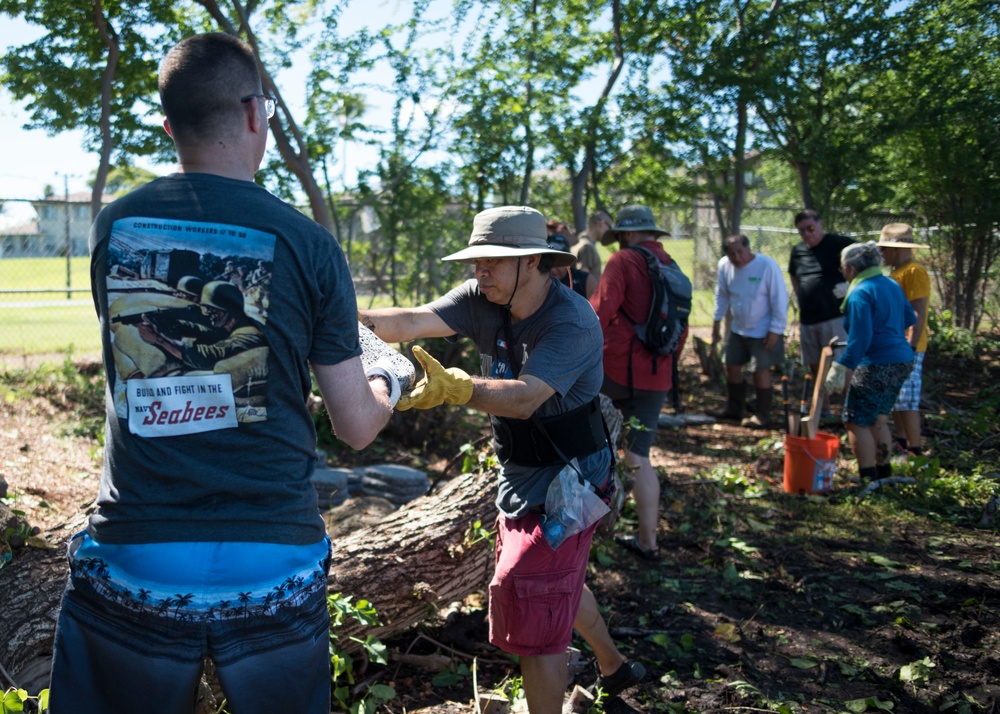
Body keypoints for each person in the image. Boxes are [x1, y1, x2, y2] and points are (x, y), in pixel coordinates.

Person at [47, 33, 404, 714]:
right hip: (272, 555)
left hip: (139, 552)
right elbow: (356, 427)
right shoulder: (309, 244)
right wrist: (389, 376)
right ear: (253, 114)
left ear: (168, 125)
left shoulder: (114, 228)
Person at [360, 206, 643, 713]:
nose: (479, 271)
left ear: (531, 262)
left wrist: (457, 387)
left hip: (573, 479)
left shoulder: (571, 320)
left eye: (493, 261)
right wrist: (339, 319)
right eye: (477, 261)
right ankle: (615, 665)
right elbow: (408, 320)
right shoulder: (481, 299)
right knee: (557, 583)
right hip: (519, 473)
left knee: (529, 590)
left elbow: (525, 397)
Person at [589, 205, 686, 560]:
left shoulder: (624, 261)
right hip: (658, 374)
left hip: (613, 371)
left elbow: (598, 312)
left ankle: (579, 537)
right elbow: (680, 328)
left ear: (627, 235)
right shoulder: (672, 266)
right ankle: (649, 542)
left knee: (585, 446)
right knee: (638, 457)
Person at [824, 242, 915, 483]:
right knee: (878, 418)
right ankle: (883, 475)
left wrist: (841, 367)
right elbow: (908, 316)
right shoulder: (890, 283)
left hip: (877, 363)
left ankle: (867, 477)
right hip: (902, 360)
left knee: (854, 420)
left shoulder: (860, 292)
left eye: (843, 268)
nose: (842, 272)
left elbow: (860, 338)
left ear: (852, 268)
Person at [709, 234, 789, 429]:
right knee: (731, 365)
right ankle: (734, 409)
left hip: (762, 329)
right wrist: (717, 322)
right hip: (738, 328)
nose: (737, 258)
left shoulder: (766, 266)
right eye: (731, 254)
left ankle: (763, 415)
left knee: (760, 370)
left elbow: (779, 298)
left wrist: (775, 329)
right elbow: (722, 294)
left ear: (748, 249)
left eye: (740, 252)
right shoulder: (724, 266)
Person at [788, 209, 855, 421]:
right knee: (816, 367)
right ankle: (822, 410)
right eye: (802, 231)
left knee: (843, 365)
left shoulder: (839, 244)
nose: (807, 234)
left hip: (834, 317)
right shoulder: (798, 251)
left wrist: (849, 287)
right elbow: (794, 276)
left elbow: (862, 259)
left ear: (820, 224)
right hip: (809, 319)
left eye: (810, 228)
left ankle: (851, 410)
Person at [877, 223, 931, 457]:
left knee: (907, 399)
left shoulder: (913, 271)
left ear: (896, 249)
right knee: (897, 397)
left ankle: (915, 449)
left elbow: (918, 311)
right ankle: (901, 442)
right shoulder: (896, 272)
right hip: (893, 346)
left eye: (884, 249)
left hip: (908, 346)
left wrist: (910, 345)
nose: (881, 254)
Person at [547, 233, 597, 298]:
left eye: (559, 262)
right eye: (549, 260)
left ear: (568, 261)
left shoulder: (585, 281)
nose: (553, 268)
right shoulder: (537, 281)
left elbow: (596, 306)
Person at [574, 210, 609, 280]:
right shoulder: (587, 247)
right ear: (601, 224)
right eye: (609, 227)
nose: (609, 231)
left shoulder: (579, 242)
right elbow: (583, 281)